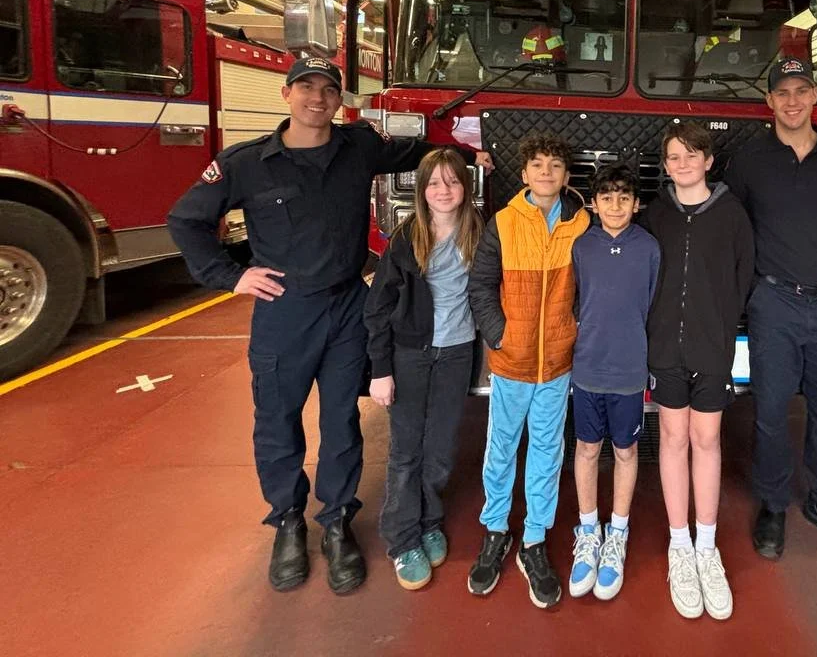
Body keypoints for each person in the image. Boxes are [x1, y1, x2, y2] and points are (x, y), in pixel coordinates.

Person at [167, 55, 490, 595]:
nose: (317, 99)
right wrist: (230, 277)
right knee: (278, 419)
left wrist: (467, 154)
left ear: (339, 100)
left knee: (341, 421)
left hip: (346, 307)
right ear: (286, 95)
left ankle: (337, 521)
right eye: (307, 88)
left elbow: (418, 154)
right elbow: (186, 218)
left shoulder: (357, 148)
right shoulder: (246, 163)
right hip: (284, 310)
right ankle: (288, 522)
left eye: (328, 90)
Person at [724, 57, 817, 563]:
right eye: (782, 92)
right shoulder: (748, 161)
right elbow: (735, 235)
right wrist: (746, 298)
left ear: (814, 97)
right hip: (774, 304)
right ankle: (773, 505)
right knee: (769, 412)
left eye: (801, 91)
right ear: (769, 101)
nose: (792, 101)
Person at [466, 131, 590, 609]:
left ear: (565, 175)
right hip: (512, 361)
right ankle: (496, 529)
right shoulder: (502, 222)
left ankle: (534, 539)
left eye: (555, 166)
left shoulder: (580, 225)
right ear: (523, 174)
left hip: (557, 362)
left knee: (547, 449)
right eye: (537, 165)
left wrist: (573, 328)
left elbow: (588, 287)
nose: (545, 173)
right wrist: (499, 335)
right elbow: (481, 284)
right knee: (500, 448)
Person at [644, 121, 754, 621]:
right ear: (665, 167)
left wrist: (723, 327)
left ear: (709, 161)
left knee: (707, 438)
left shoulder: (731, 214)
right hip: (665, 346)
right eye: (673, 157)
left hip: (712, 348)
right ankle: (679, 546)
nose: (682, 164)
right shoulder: (653, 217)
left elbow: (743, 276)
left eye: (691, 155)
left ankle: (707, 547)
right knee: (673, 436)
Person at [364, 148, 485, 591]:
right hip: (410, 355)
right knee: (406, 450)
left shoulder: (479, 235)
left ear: (465, 188)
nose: (443, 191)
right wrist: (381, 369)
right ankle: (402, 538)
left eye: (452, 182)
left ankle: (429, 520)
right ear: (422, 190)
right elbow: (377, 310)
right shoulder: (406, 238)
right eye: (434, 183)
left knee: (440, 448)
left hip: (457, 354)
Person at [567, 164, 660, 602]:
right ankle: (589, 531)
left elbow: (653, 305)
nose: (616, 205)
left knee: (625, 450)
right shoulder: (581, 246)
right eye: (607, 197)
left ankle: (617, 533)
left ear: (637, 204)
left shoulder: (649, 248)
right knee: (586, 448)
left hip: (628, 372)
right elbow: (576, 299)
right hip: (587, 368)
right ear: (593, 202)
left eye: (625, 197)